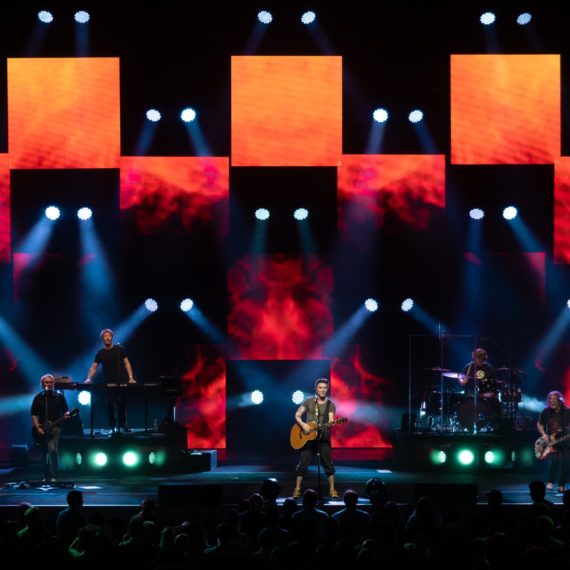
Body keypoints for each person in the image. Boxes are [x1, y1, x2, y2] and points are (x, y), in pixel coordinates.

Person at [292, 378, 339, 499]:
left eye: (325, 388)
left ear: (327, 389)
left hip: (323, 438)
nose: (323, 390)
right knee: (303, 464)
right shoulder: (308, 401)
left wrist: (331, 423)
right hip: (308, 438)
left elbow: (330, 421)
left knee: (328, 464)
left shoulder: (331, 404)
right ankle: (297, 489)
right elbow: (297, 415)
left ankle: (332, 489)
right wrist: (303, 425)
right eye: (320, 387)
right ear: (316, 389)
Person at [84, 328, 136, 434]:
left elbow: (127, 363)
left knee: (122, 403)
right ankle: (112, 427)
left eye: (109, 335)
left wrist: (131, 377)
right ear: (102, 338)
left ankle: (122, 426)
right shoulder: (100, 353)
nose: (107, 337)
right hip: (108, 382)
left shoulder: (119, 349)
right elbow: (94, 367)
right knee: (109, 404)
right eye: (105, 336)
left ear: (112, 337)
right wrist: (89, 378)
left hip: (121, 381)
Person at [31, 373, 70, 482]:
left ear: (54, 384)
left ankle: (54, 476)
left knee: (53, 450)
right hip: (42, 428)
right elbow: (33, 413)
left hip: (55, 427)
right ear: (42, 384)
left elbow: (66, 410)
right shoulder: (38, 397)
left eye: (51, 382)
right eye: (46, 382)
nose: (49, 384)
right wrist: (37, 427)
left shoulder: (59, 397)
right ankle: (45, 475)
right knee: (44, 452)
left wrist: (66, 415)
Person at [537, 390, 570, 494]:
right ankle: (550, 483)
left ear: (560, 401)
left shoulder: (567, 411)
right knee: (554, 461)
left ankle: (561, 485)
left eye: (554, 399)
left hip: (565, 440)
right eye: (550, 399)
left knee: (566, 462)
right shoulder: (545, 411)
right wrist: (543, 434)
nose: (551, 401)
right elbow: (539, 424)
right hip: (552, 441)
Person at [459, 347, 499, 429]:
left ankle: (490, 423)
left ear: (482, 359)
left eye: (476, 358)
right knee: (470, 399)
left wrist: (492, 393)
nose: (474, 360)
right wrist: (463, 381)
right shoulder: (468, 367)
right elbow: (461, 382)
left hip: (484, 392)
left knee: (494, 401)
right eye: (474, 358)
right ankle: (469, 424)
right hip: (471, 392)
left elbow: (495, 384)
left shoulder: (489, 368)